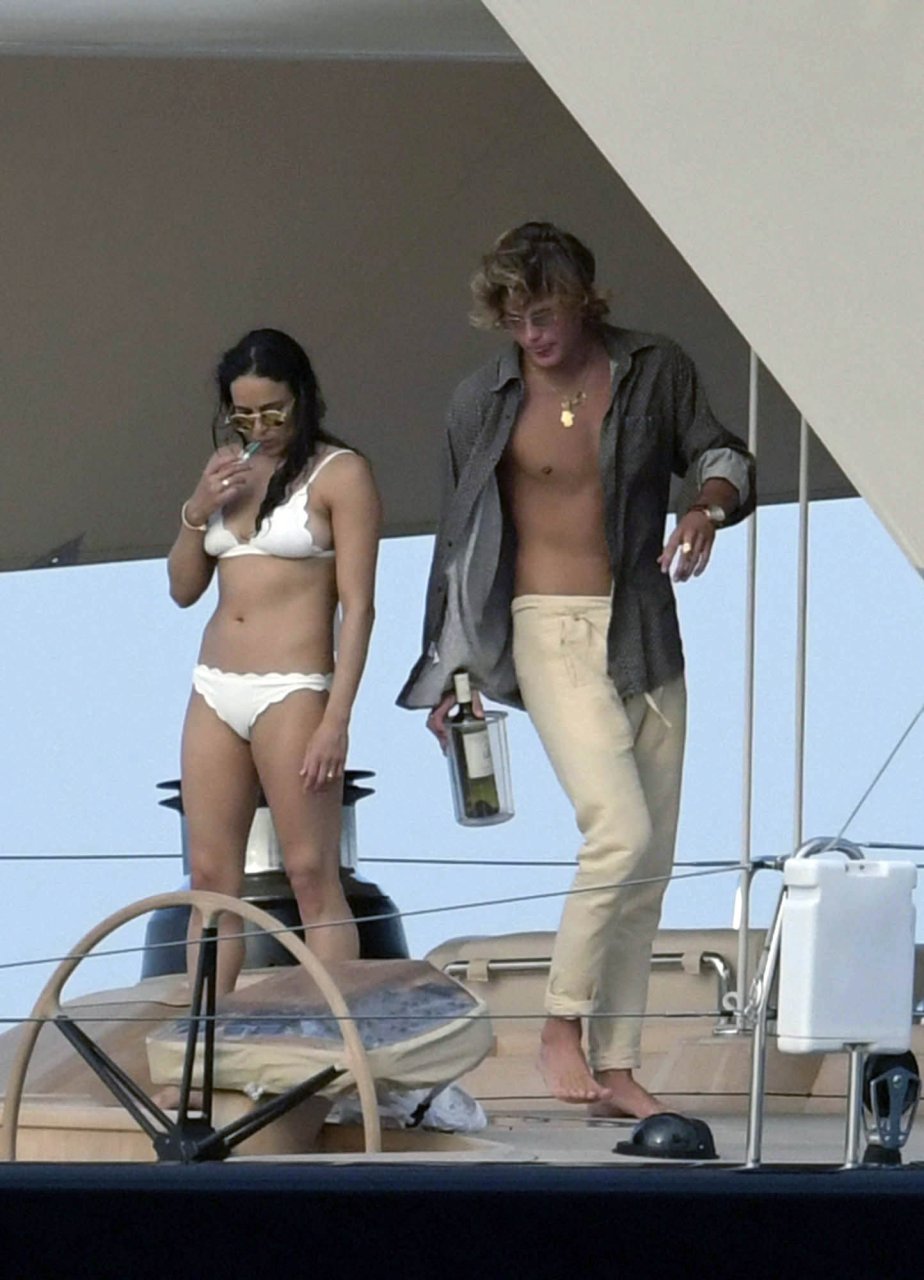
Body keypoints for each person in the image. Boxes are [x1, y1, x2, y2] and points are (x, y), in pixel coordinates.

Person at [398, 223, 755, 1119]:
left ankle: (618, 1068)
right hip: (545, 627)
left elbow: (722, 454)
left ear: (584, 302)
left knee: (649, 868)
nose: (532, 334)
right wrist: (448, 672)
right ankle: (559, 1022)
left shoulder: (655, 368)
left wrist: (707, 509)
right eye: (515, 317)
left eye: (546, 313)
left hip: (643, 630)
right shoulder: (480, 401)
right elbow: (456, 546)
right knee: (618, 832)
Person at [168, 328, 381, 997]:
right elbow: (182, 589)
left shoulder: (340, 473)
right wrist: (197, 510)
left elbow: (360, 607)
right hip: (215, 684)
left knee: (311, 871)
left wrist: (337, 720)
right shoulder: (228, 466)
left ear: (302, 399)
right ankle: (203, 1035)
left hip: (294, 687)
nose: (259, 428)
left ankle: (338, 1033)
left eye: (272, 413)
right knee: (210, 880)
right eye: (244, 415)